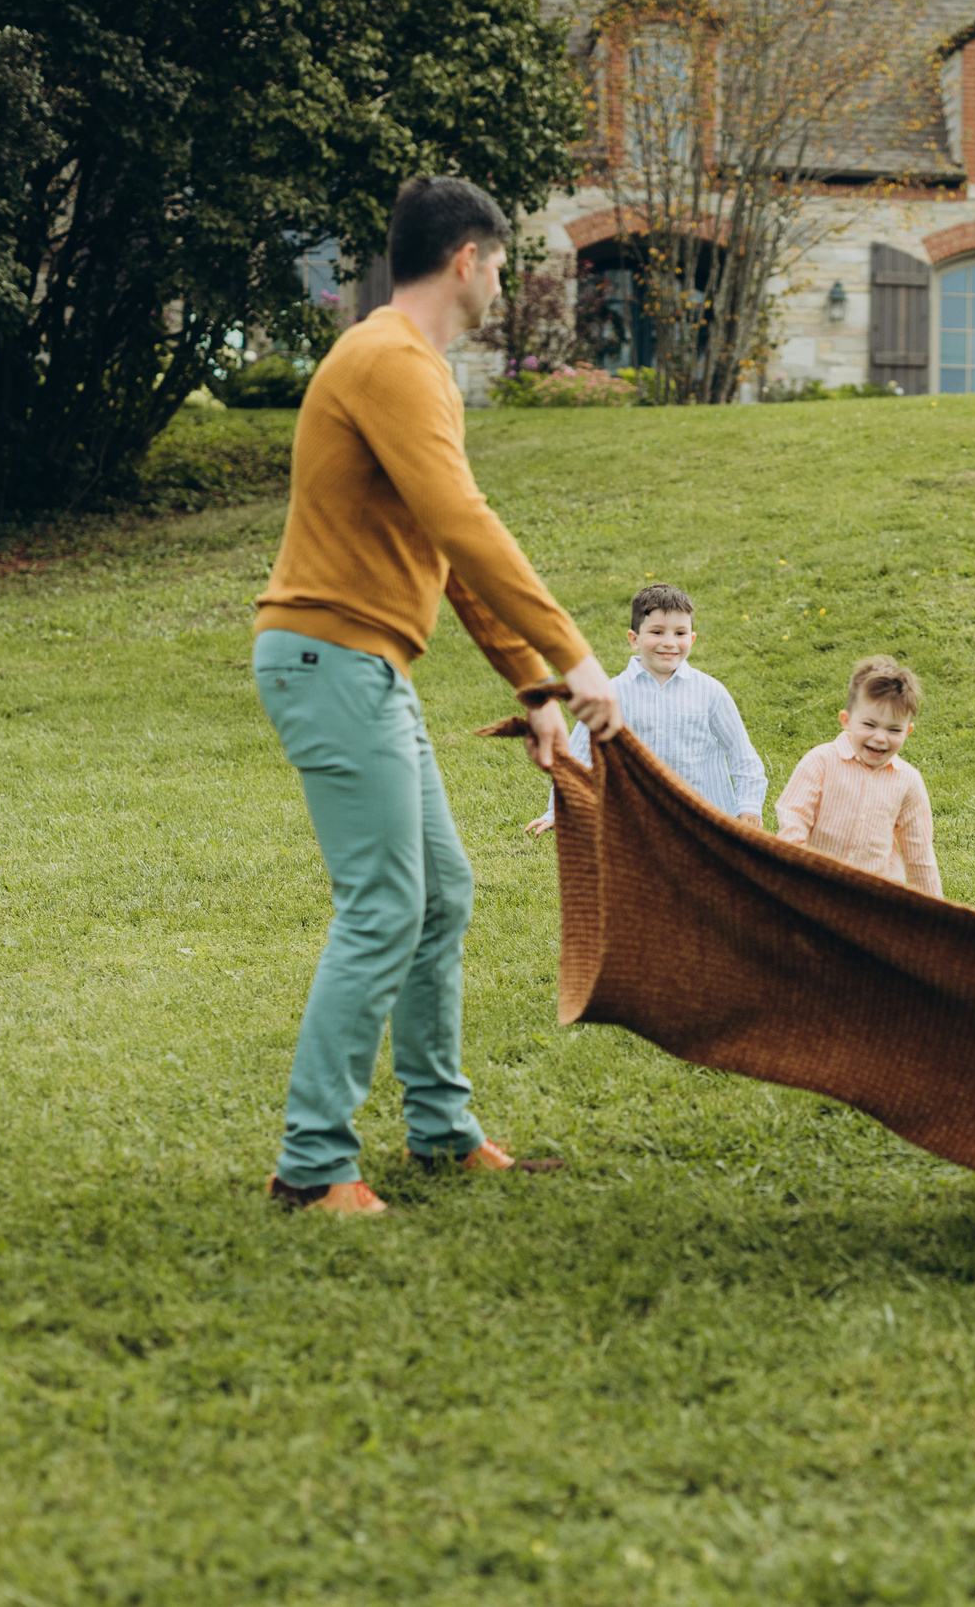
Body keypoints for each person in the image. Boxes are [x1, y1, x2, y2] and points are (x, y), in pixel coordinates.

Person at [250, 176, 624, 1216]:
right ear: (467, 259)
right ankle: (311, 1164)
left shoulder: (410, 371)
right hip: (328, 660)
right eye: (503, 263)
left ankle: (439, 1131)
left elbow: (440, 546)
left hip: (366, 663)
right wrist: (577, 655)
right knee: (384, 906)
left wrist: (534, 685)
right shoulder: (388, 361)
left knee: (441, 893)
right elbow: (465, 523)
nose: (504, 282)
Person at [525, 583, 766, 835]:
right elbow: (580, 755)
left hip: (705, 822)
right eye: (657, 632)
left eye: (680, 633)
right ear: (634, 639)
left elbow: (742, 755)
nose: (669, 642)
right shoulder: (612, 693)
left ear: (692, 638)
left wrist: (749, 806)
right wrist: (557, 810)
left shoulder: (710, 692)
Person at [775, 656, 941, 896]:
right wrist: (797, 875)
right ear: (847, 721)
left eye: (894, 729)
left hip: (874, 899)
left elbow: (920, 855)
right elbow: (793, 821)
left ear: (908, 731)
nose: (880, 737)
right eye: (870, 725)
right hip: (816, 887)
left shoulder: (908, 781)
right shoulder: (820, 761)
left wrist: (935, 916)